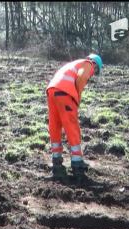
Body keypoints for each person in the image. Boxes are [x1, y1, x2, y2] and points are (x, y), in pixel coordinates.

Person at [46, 53, 103, 182]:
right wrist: (77, 96)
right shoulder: (88, 63)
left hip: (51, 91)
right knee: (72, 126)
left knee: (55, 126)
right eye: (96, 71)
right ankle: (77, 164)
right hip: (65, 93)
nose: (93, 74)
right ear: (95, 64)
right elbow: (81, 78)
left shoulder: (73, 63)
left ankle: (57, 163)